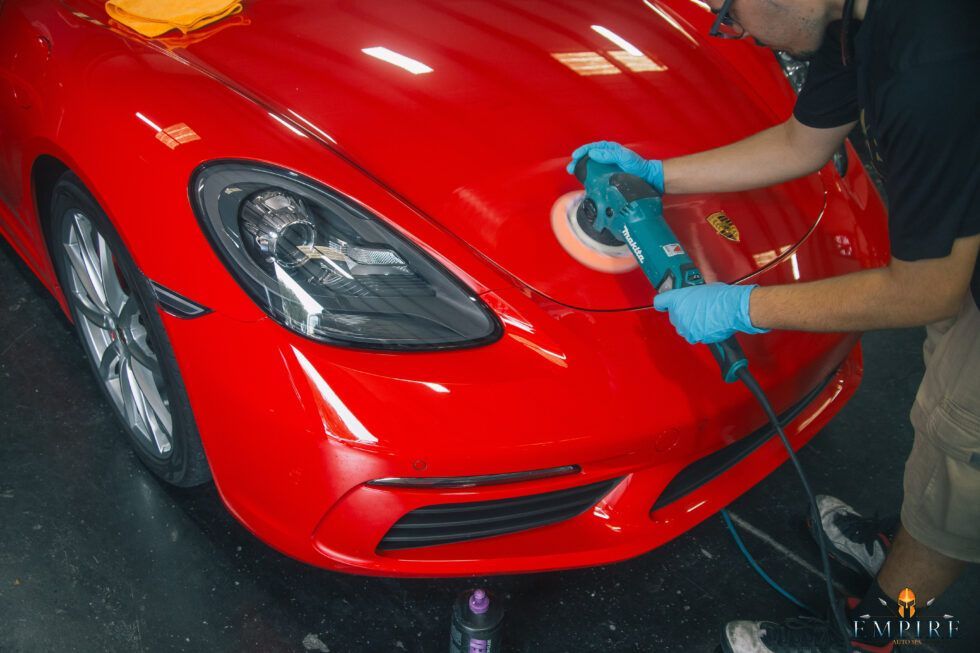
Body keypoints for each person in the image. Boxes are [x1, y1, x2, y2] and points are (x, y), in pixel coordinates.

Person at [569, 1, 979, 651]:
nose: (729, 28)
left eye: (729, 11)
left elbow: (926, 289)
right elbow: (803, 142)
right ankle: (899, 546)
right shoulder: (853, 25)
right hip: (961, 259)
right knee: (940, 436)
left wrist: (740, 308)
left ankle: (873, 634)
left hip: (947, 276)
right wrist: (657, 176)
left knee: (960, 487)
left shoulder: (933, 67)